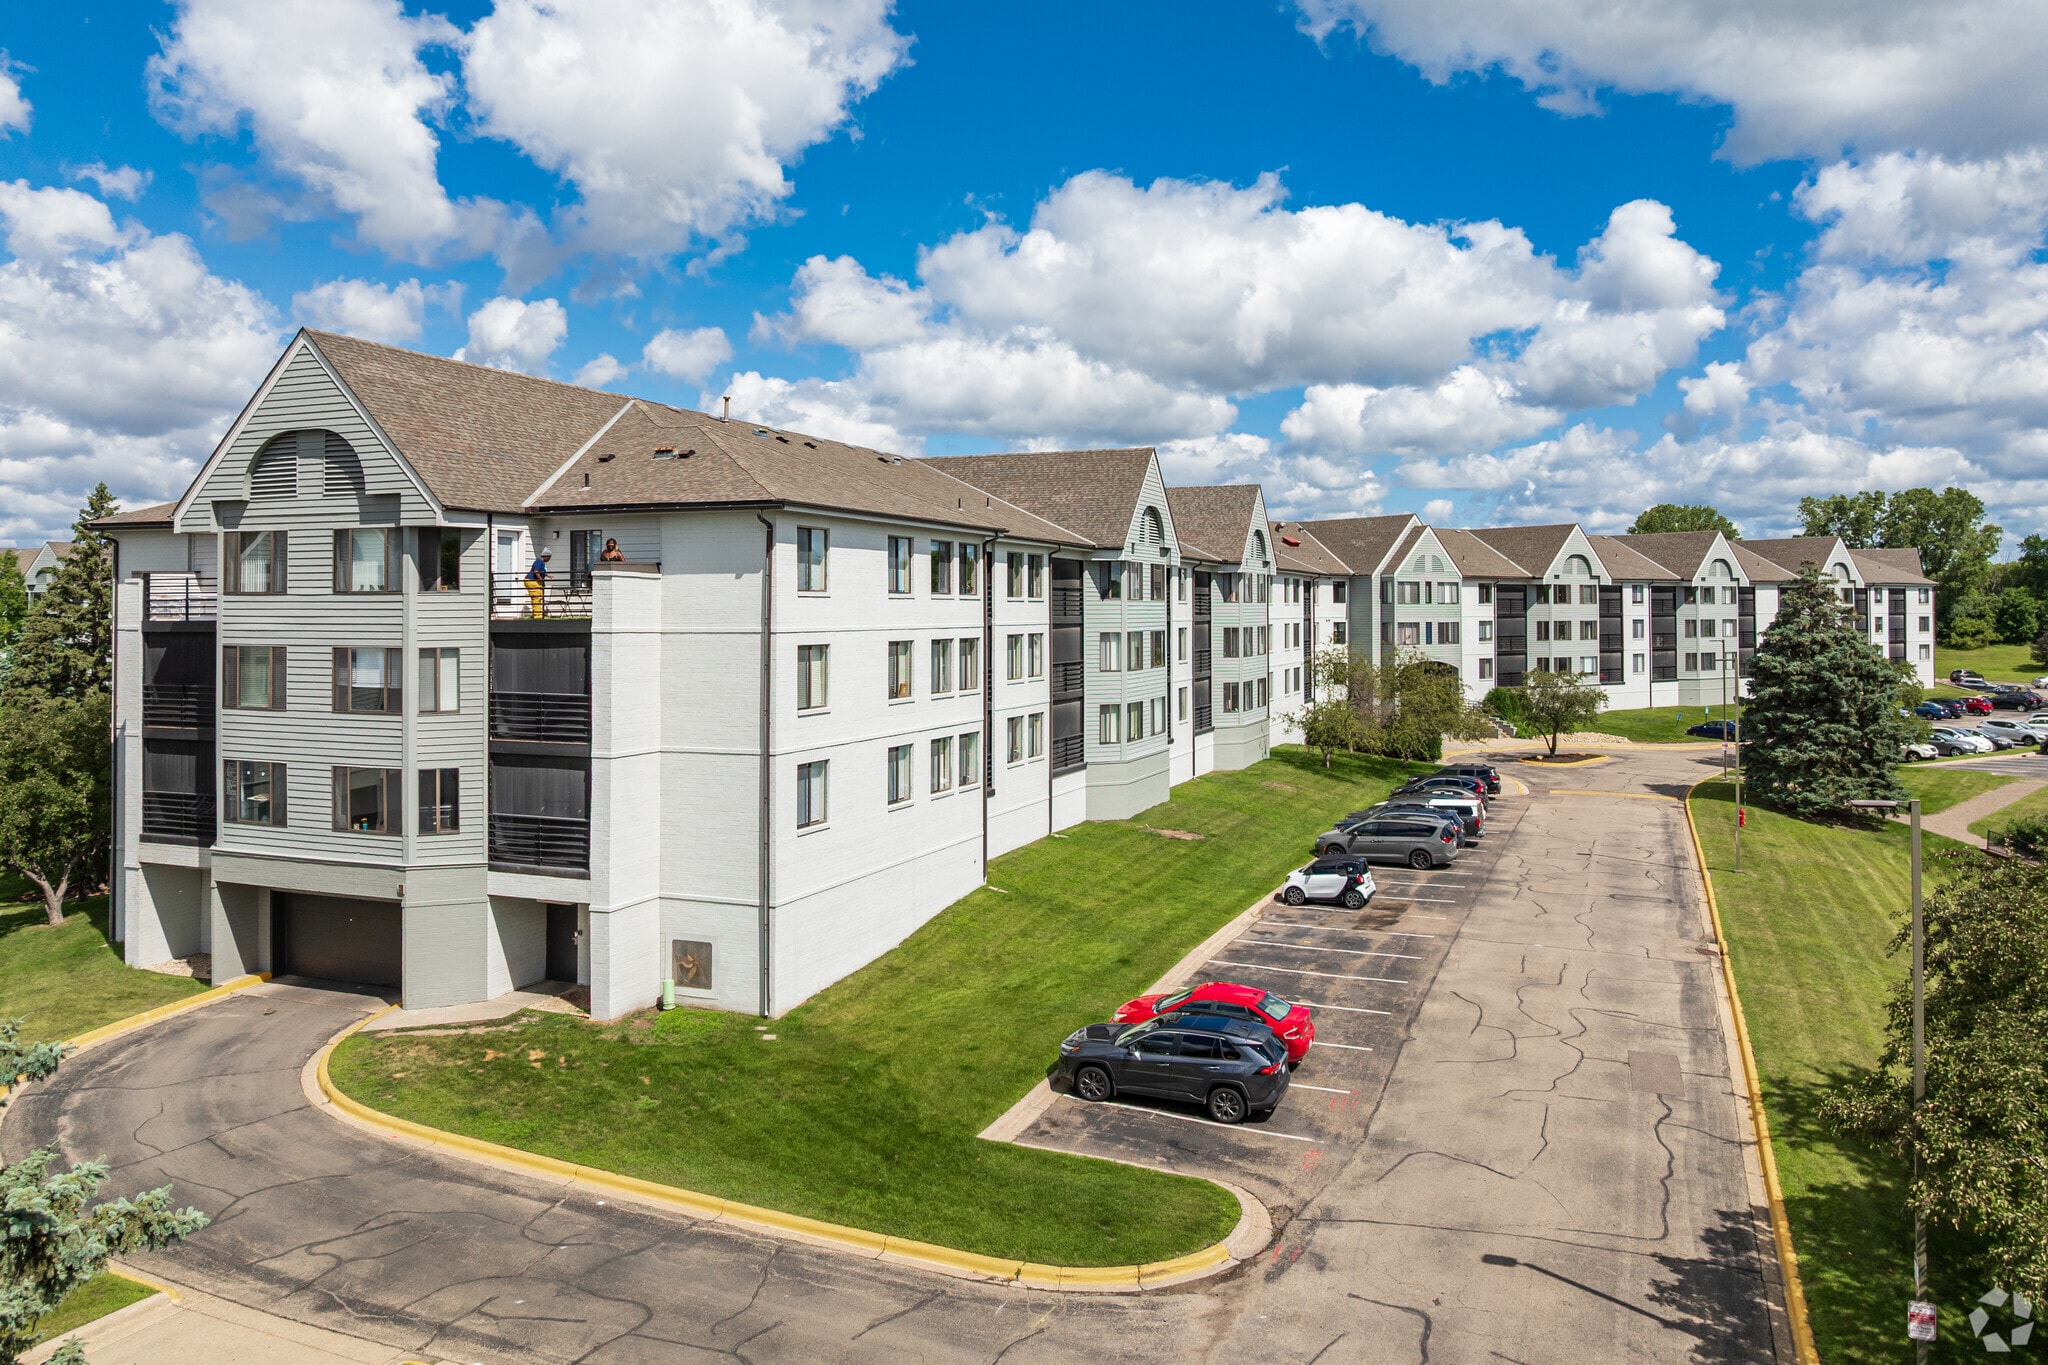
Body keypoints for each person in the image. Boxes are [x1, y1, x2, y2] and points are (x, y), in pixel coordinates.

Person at [524, 549, 551, 617]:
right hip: (532, 580)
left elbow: (541, 571)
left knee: (538, 597)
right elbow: (536, 571)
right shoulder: (539, 561)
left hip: (534, 581)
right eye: (549, 557)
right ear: (546, 556)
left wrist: (547, 575)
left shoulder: (541, 562)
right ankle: (537, 616)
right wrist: (540, 579)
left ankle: (537, 614)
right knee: (536, 598)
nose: (549, 559)